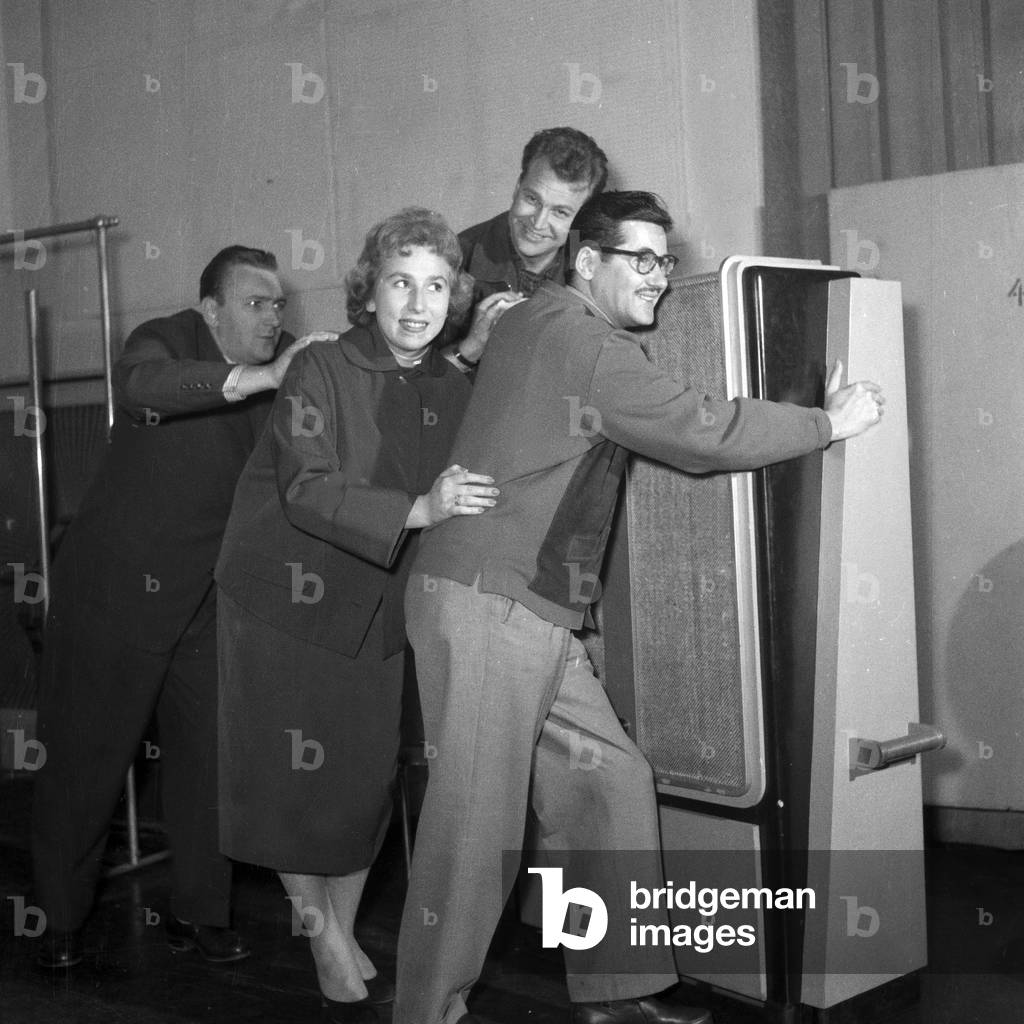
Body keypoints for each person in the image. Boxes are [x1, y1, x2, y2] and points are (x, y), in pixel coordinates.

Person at [395, 191, 885, 1024]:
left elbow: (505, 360)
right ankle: (425, 1013)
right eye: (641, 259)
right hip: (491, 607)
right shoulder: (584, 341)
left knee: (612, 782)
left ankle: (616, 991)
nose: (660, 276)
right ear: (588, 261)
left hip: (522, 607)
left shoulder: (535, 319)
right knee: (473, 835)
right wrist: (825, 423)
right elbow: (700, 432)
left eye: (666, 259)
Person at [214, 208, 498, 1024]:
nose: (418, 302)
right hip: (282, 598)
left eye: (437, 285)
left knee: (360, 780)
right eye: (401, 282)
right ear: (368, 291)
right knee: (287, 784)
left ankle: (335, 924)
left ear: (457, 297)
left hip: (375, 601)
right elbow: (306, 486)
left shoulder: (453, 382)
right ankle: (320, 933)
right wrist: (417, 507)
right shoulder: (319, 369)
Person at [30, 246, 332, 969]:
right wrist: (258, 378)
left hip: (206, 601)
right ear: (211, 309)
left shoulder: (293, 357)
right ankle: (59, 921)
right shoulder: (164, 339)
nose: (272, 317)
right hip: (113, 596)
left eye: (278, 304)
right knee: (85, 764)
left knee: (208, 767)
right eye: (255, 303)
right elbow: (139, 386)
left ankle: (199, 913)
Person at [439, 126, 608, 373]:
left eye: (560, 212)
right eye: (532, 199)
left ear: (583, 218)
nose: (538, 223)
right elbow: (408, 387)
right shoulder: (452, 260)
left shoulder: (595, 269)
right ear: (517, 187)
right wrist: (470, 349)